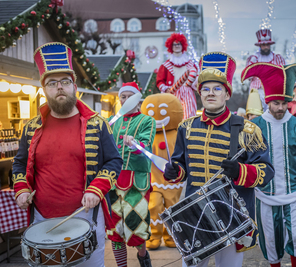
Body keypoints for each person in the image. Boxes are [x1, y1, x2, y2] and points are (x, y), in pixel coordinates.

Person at [13, 42, 123, 267]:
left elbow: (114, 161)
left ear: (74, 86)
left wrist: (96, 189)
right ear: (45, 90)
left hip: (86, 216)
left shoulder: (97, 124)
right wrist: (21, 190)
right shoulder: (31, 127)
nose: (59, 87)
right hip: (42, 219)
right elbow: (19, 164)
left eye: (65, 81)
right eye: (52, 83)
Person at [163, 52, 274, 267]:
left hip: (232, 214)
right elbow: (182, 166)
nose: (210, 93)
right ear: (200, 94)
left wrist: (241, 171)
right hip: (194, 213)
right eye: (205, 89)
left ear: (227, 94)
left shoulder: (248, 129)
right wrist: (175, 171)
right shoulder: (186, 127)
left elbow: (267, 171)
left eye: (217, 89)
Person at [242, 62, 296, 267]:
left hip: (294, 192)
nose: (281, 108)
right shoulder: (255, 127)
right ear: (268, 102)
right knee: (271, 239)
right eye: (276, 104)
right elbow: (247, 159)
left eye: (284, 103)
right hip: (265, 194)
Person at [106, 82, 156, 267]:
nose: (126, 100)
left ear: (138, 100)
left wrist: (134, 144)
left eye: (130, 96)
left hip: (137, 182)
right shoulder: (112, 121)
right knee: (115, 228)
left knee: (136, 226)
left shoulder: (147, 121)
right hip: (113, 182)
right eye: (123, 97)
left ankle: (143, 258)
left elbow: (146, 144)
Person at [141, 93, 184, 250]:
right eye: (150, 112)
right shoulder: (148, 135)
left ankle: (171, 236)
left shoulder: (177, 135)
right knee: (154, 205)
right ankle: (154, 235)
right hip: (154, 179)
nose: (157, 117)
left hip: (172, 182)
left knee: (172, 208)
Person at [156, 33, 198, 119]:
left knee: (189, 115)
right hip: (172, 92)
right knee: (172, 115)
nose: (176, 46)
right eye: (174, 44)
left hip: (187, 92)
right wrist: (165, 88)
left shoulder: (191, 64)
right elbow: (159, 81)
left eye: (178, 44)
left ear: (183, 46)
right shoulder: (165, 65)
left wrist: (195, 84)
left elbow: (196, 79)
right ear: (170, 47)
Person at [246, 29, 286, 112]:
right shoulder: (253, 59)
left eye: (267, 44)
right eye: (263, 45)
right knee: (256, 115)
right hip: (257, 92)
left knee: (272, 115)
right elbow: (248, 76)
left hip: (273, 92)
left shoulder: (278, 58)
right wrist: (253, 61)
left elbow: (284, 75)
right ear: (260, 46)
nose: (266, 47)